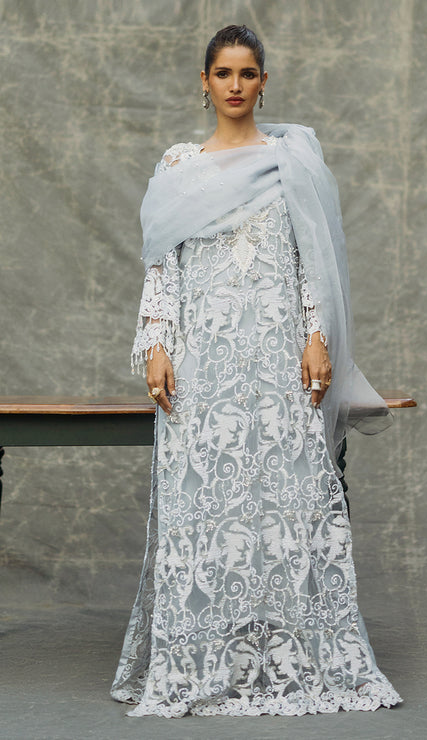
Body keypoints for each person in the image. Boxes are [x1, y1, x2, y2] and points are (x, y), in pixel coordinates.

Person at [111, 24, 402, 718]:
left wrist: (316, 337)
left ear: (264, 82)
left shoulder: (290, 159)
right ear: (204, 82)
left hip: (277, 359)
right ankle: (199, 661)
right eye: (223, 73)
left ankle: (288, 659)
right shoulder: (179, 163)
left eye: (248, 73)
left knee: (286, 504)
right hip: (202, 363)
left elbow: (310, 259)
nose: (235, 85)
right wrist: (156, 344)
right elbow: (161, 264)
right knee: (202, 507)